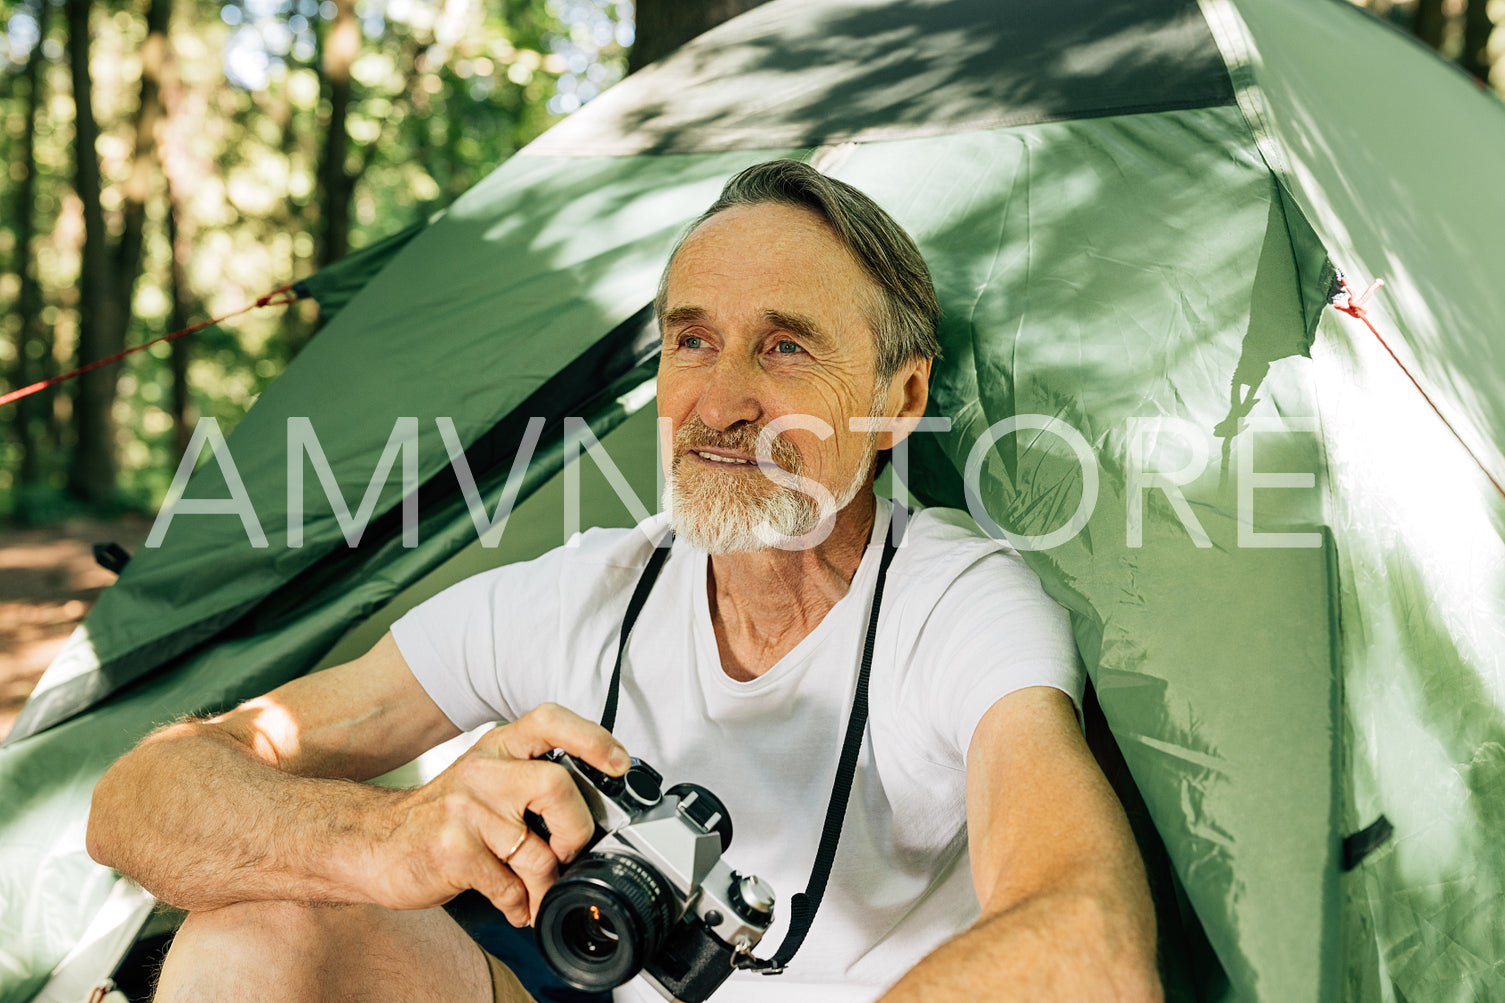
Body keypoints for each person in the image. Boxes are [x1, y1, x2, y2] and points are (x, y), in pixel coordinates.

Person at [87, 160, 1161, 1002]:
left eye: (785, 349)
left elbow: (1091, 941)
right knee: (258, 922)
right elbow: (138, 799)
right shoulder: (586, 595)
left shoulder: (956, 606)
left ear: (896, 398)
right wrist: (387, 839)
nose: (720, 400)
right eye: (691, 341)